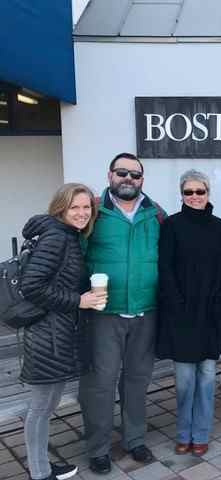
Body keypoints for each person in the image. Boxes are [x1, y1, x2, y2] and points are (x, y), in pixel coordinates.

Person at [79, 153, 166, 475]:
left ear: (142, 179)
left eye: (135, 174)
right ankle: (98, 448)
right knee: (99, 384)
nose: (128, 178)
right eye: (122, 172)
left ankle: (134, 439)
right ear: (110, 174)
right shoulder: (92, 212)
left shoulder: (155, 214)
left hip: (145, 311)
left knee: (137, 381)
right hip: (104, 314)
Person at [20, 183, 106, 480]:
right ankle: (39, 473)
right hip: (47, 336)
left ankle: (41, 466)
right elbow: (32, 287)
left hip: (56, 333)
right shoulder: (56, 237)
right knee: (41, 408)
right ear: (61, 209)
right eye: (75, 207)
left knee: (46, 405)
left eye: (86, 207)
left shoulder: (67, 235)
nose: (82, 213)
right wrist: (78, 300)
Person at [156, 169, 221, 455]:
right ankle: (183, 431)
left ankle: (201, 433)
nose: (194, 197)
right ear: (182, 195)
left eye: (199, 191)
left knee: (206, 377)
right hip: (182, 314)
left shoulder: (219, 227)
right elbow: (164, 268)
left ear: (208, 194)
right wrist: (176, 304)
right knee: (184, 381)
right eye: (188, 192)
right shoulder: (172, 226)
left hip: (211, 314)